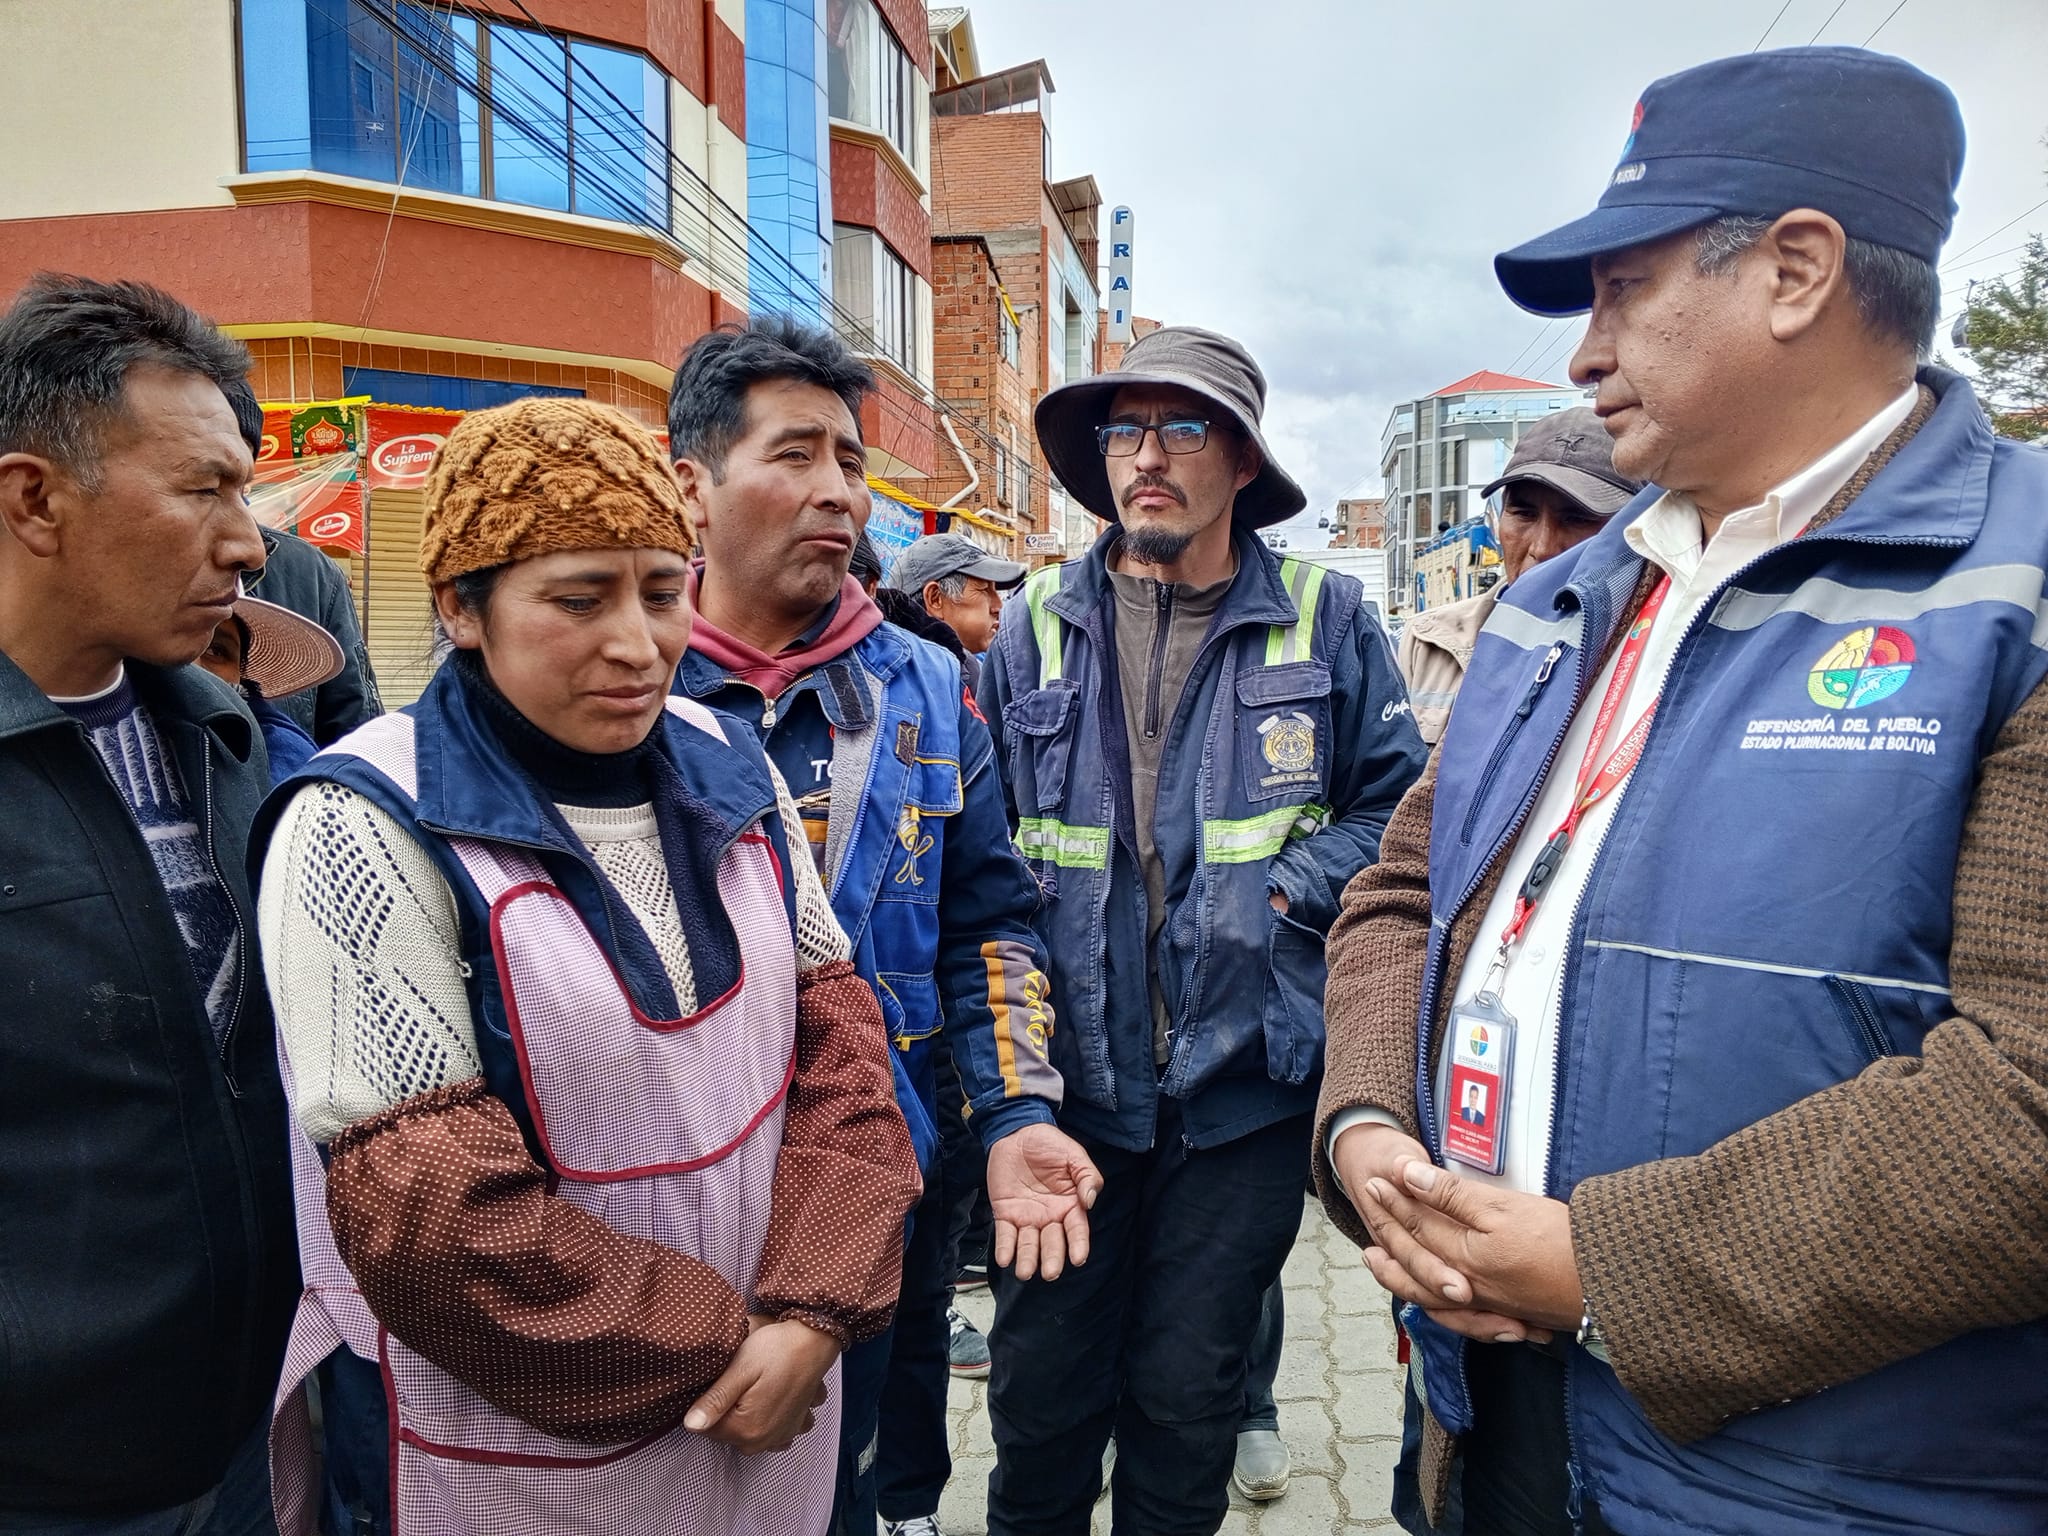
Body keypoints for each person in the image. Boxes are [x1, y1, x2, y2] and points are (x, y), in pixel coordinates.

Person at [1316, 46, 2048, 1536]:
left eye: (1621, 291)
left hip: (1822, 1484)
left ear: (1796, 271)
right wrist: (1368, 1129)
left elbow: (2028, 1098)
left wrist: (1607, 1271)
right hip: (1488, 1419)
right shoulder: (1555, 607)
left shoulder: (2016, 595)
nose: (1583, 356)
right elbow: (1402, 894)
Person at [253, 396, 921, 1536]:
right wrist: (738, 1345)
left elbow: (844, 1057)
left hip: (773, 1413)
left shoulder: (726, 761)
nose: (636, 643)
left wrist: (813, 1312)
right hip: (515, 1459)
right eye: (578, 599)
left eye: (663, 592)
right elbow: (434, 1218)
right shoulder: (364, 824)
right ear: (463, 608)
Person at [976, 325, 1427, 1536]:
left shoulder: (1326, 618)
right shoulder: (1029, 627)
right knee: (1039, 1407)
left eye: (1184, 428)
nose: (1146, 457)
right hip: (1066, 1098)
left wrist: (1282, 890)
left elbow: (1398, 808)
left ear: (1241, 459)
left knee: (1185, 1413)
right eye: (1123, 430)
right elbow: (984, 860)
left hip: (1244, 1098)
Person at [665, 319, 1057, 1536]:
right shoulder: (623, 672)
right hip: (678, 1187)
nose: (838, 489)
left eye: (851, 460)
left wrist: (1017, 1114)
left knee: (862, 1455)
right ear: (693, 482)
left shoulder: (928, 687)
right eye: (795, 454)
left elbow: (988, 920)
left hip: (888, 1159)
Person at [0, 273, 295, 1533]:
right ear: (33, 498)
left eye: (244, 487)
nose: (249, 540)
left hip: (252, 1440)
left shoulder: (228, 733)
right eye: (202, 490)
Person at [1398, 407, 1641, 744]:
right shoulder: (1429, 643)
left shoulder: (1650, 654)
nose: (1542, 547)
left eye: (1577, 518)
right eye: (1523, 514)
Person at [222, 376, 383, 744]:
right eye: (203, 484)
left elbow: (353, 732)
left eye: (239, 483)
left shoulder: (310, 574)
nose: (248, 549)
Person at [196, 594, 340, 782]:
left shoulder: (282, 760)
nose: (193, 667)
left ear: (242, 675)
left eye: (216, 651)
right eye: (177, 640)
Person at [885, 531, 1026, 687]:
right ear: (935, 599)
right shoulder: (912, 681)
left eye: (996, 592)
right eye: (984, 590)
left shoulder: (967, 668)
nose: (998, 607)